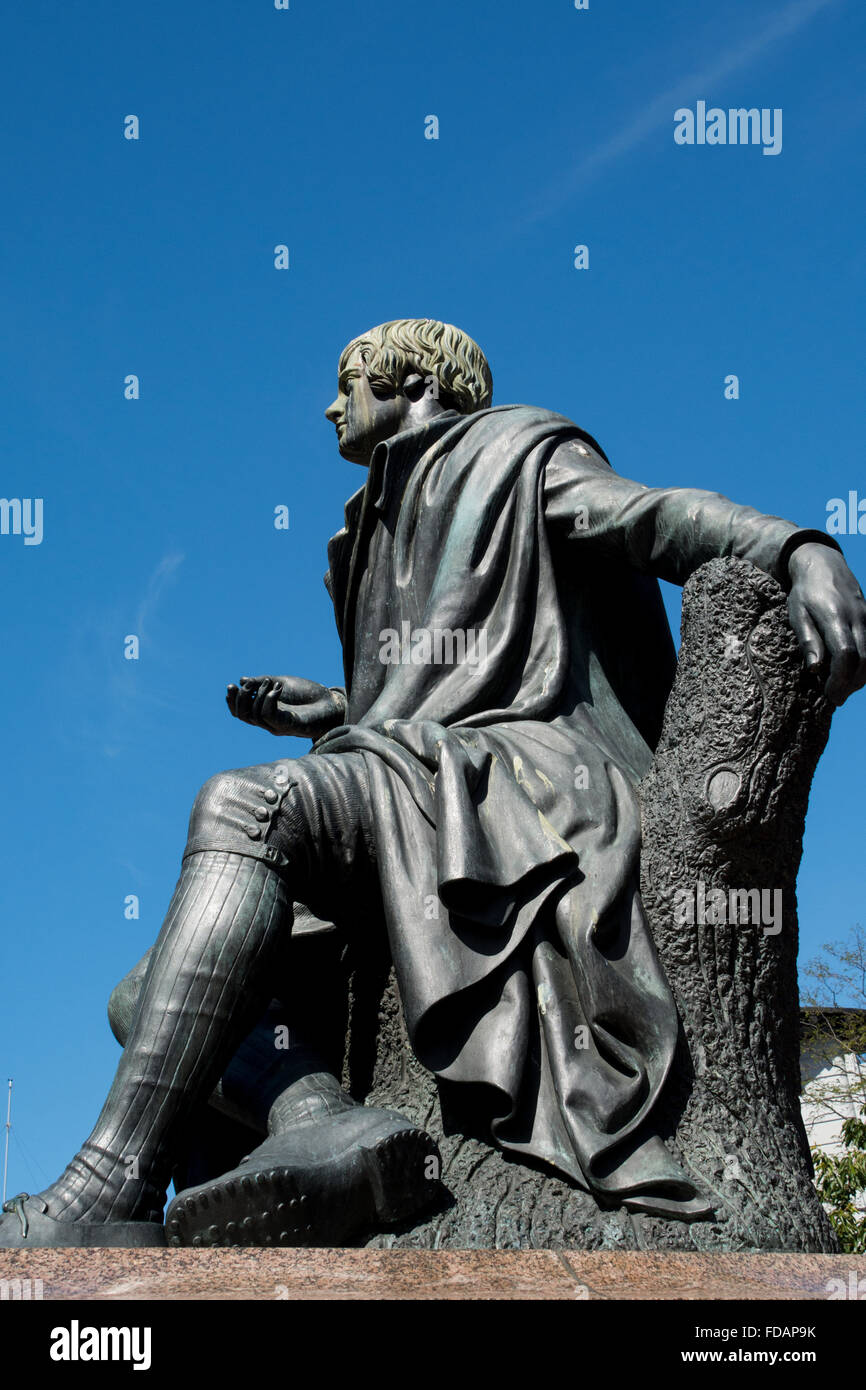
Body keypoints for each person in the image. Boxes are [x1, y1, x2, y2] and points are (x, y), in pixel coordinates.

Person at [3, 318, 865, 1249]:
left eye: (349, 382)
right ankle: (324, 1123)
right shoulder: (359, 531)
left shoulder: (519, 449)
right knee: (138, 1001)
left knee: (243, 802)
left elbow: (651, 518)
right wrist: (336, 710)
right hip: (409, 778)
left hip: (520, 774)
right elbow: (433, 685)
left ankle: (106, 1190)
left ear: (412, 380)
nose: (331, 406)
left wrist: (799, 549)